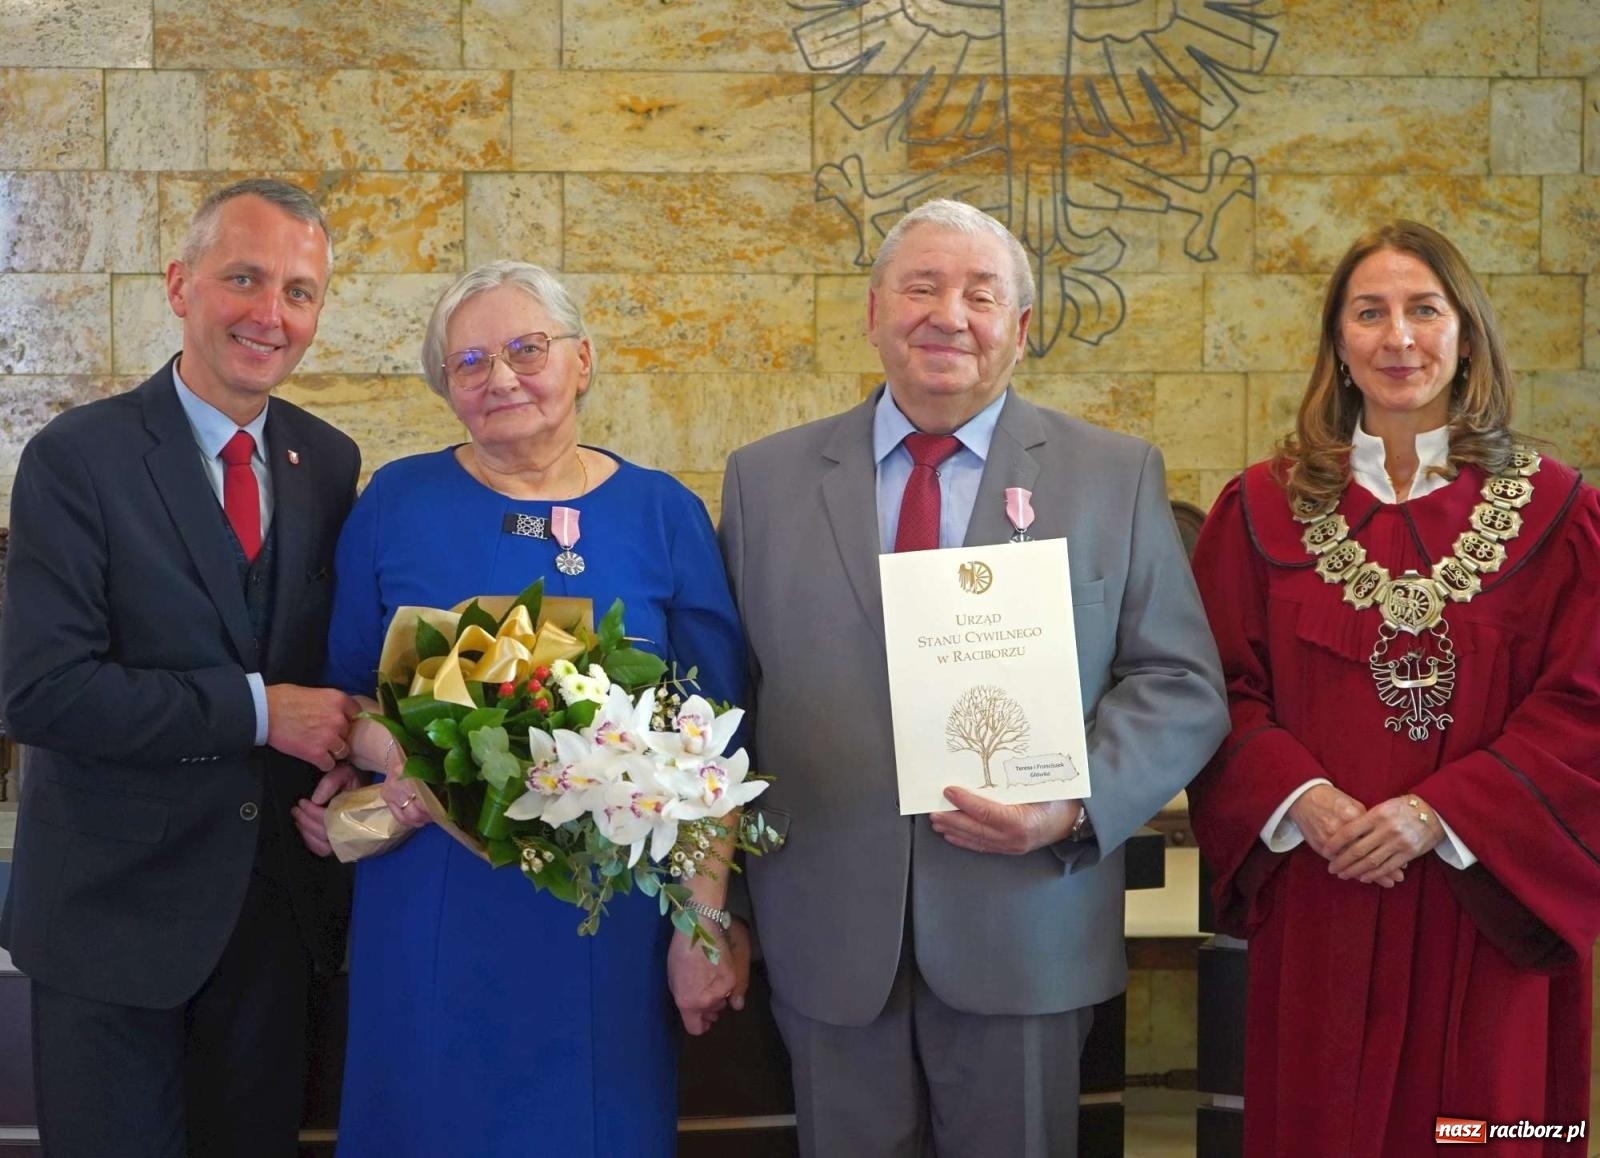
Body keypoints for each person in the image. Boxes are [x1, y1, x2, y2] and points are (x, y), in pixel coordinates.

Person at [718, 199, 1228, 1157]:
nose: (948, 314)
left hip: (1026, 925)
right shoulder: (764, 481)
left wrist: (1072, 806)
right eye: (921, 287)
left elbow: (1181, 683)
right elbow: (727, 705)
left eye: (981, 294)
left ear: (1020, 328)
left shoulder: (1112, 475)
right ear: (872, 312)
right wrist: (722, 907)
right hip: (826, 937)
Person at [1188, 220, 1600, 1157]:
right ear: (1338, 341)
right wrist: (1305, 800)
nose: (1398, 338)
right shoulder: (1259, 508)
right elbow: (1212, 688)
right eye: (1368, 313)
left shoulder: (1560, 514)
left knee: (1479, 1129)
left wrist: (1438, 815)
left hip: (1487, 898)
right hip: (1324, 890)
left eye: (1424, 310)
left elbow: (1588, 705)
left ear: (1466, 334)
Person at [322, 260, 748, 1158]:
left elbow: (713, 737)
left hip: (608, 911)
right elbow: (347, 694)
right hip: (434, 892)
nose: (500, 377)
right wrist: (409, 762)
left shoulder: (664, 513)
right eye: (468, 362)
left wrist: (704, 919)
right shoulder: (396, 503)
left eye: (526, 349)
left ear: (583, 360)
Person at [0, 179, 362, 1158]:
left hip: (273, 925)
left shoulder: (329, 461)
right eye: (243, 278)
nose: (269, 314)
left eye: (298, 291)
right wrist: (255, 713)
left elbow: (319, 662)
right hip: (112, 926)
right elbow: (40, 690)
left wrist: (348, 755)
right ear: (180, 285)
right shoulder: (77, 459)